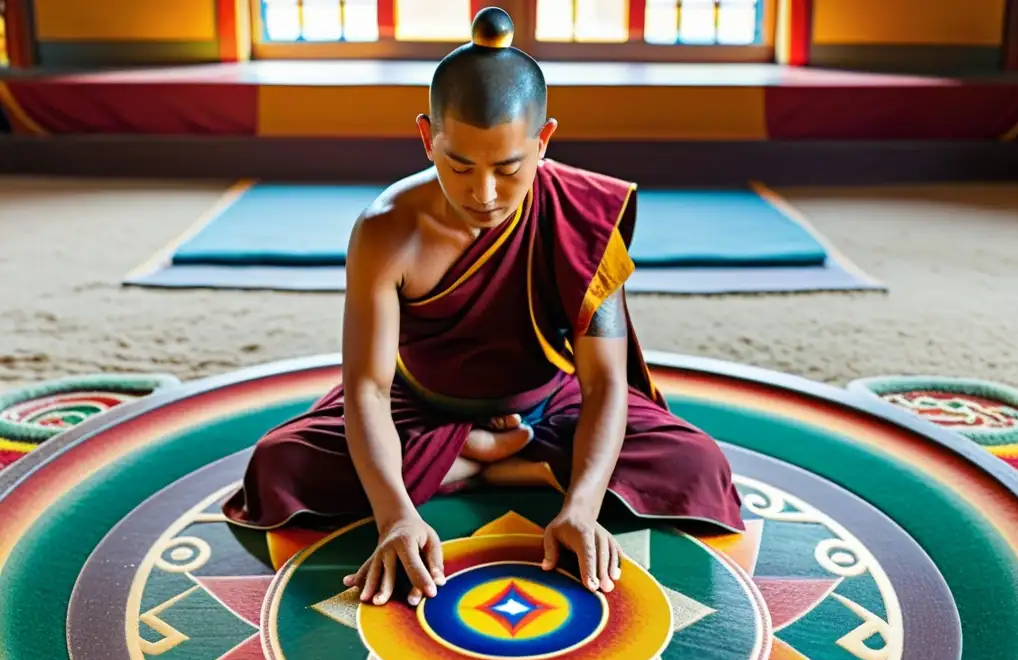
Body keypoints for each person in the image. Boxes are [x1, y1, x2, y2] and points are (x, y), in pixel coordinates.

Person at [223, 7, 742, 607]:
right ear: (427, 139)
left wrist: (581, 508)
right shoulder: (386, 232)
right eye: (459, 165)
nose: (485, 194)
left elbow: (604, 385)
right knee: (279, 465)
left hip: (552, 403)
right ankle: (493, 458)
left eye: (509, 167)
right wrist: (395, 518)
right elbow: (366, 387)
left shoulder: (583, 218)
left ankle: (476, 462)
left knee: (695, 465)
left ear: (543, 140)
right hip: (415, 405)